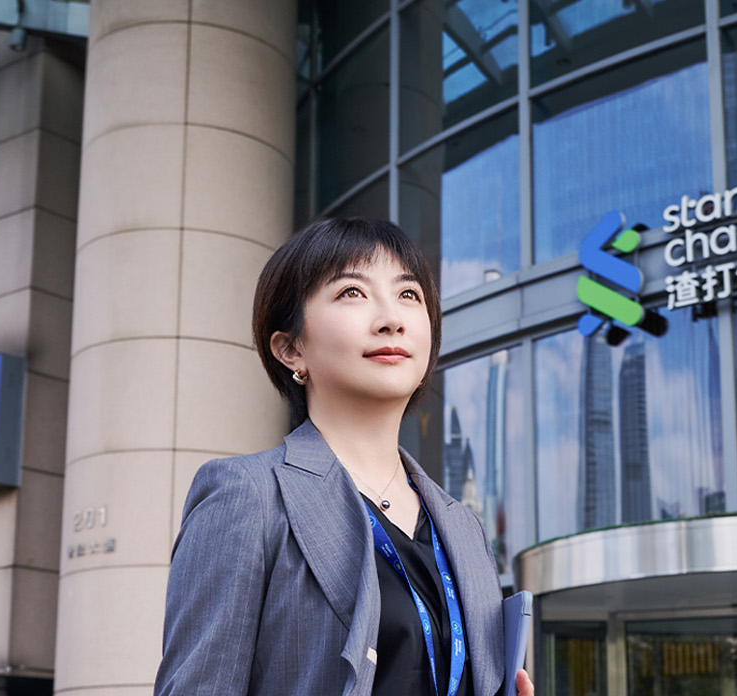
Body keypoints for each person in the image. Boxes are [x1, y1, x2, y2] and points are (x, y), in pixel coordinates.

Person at [155, 217, 534, 696]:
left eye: (409, 295)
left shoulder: (464, 528)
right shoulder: (248, 496)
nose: (391, 318)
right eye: (352, 293)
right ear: (291, 349)